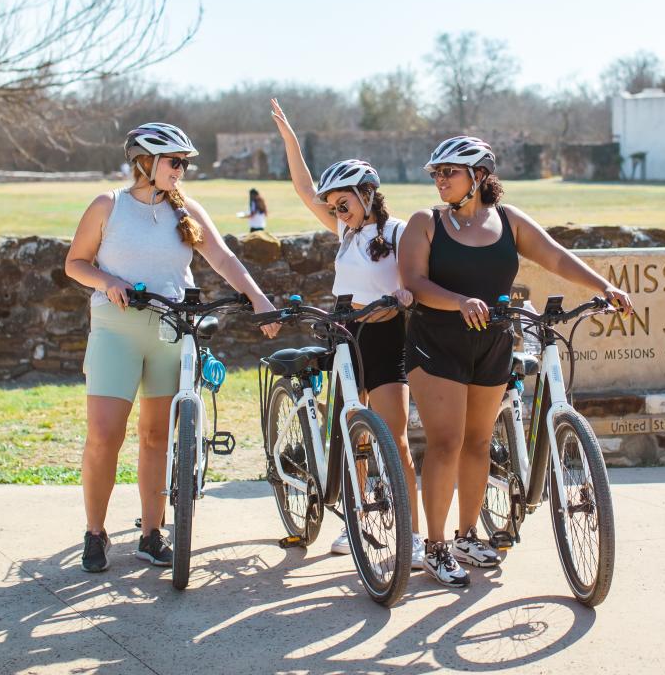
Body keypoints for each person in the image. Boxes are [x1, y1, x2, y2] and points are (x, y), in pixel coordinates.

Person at [398, 136, 634, 588]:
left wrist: (604, 287)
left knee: (479, 443)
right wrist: (459, 301)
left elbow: (555, 256)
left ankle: (467, 535)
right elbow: (413, 281)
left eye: (449, 172)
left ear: (480, 176)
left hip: (492, 343)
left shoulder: (508, 221)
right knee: (446, 442)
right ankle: (434, 546)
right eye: (436, 173)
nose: (439, 180)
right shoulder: (424, 223)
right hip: (436, 343)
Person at [65, 122, 280, 574]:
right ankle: (95, 532)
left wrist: (259, 298)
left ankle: (151, 533)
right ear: (144, 163)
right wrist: (108, 280)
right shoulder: (109, 205)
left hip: (171, 329)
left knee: (157, 437)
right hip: (116, 329)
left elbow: (222, 258)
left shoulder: (187, 210)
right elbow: (76, 263)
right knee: (105, 435)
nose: (181, 171)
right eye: (175, 162)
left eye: (184, 163)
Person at [269, 98, 425, 570]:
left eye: (345, 202)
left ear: (369, 193)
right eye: (334, 205)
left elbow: (415, 279)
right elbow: (303, 190)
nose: (338, 210)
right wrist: (292, 141)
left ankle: (413, 537)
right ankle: (356, 518)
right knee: (353, 433)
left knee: (394, 438)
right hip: (344, 337)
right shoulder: (345, 232)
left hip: (384, 337)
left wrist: (405, 295)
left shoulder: (398, 231)